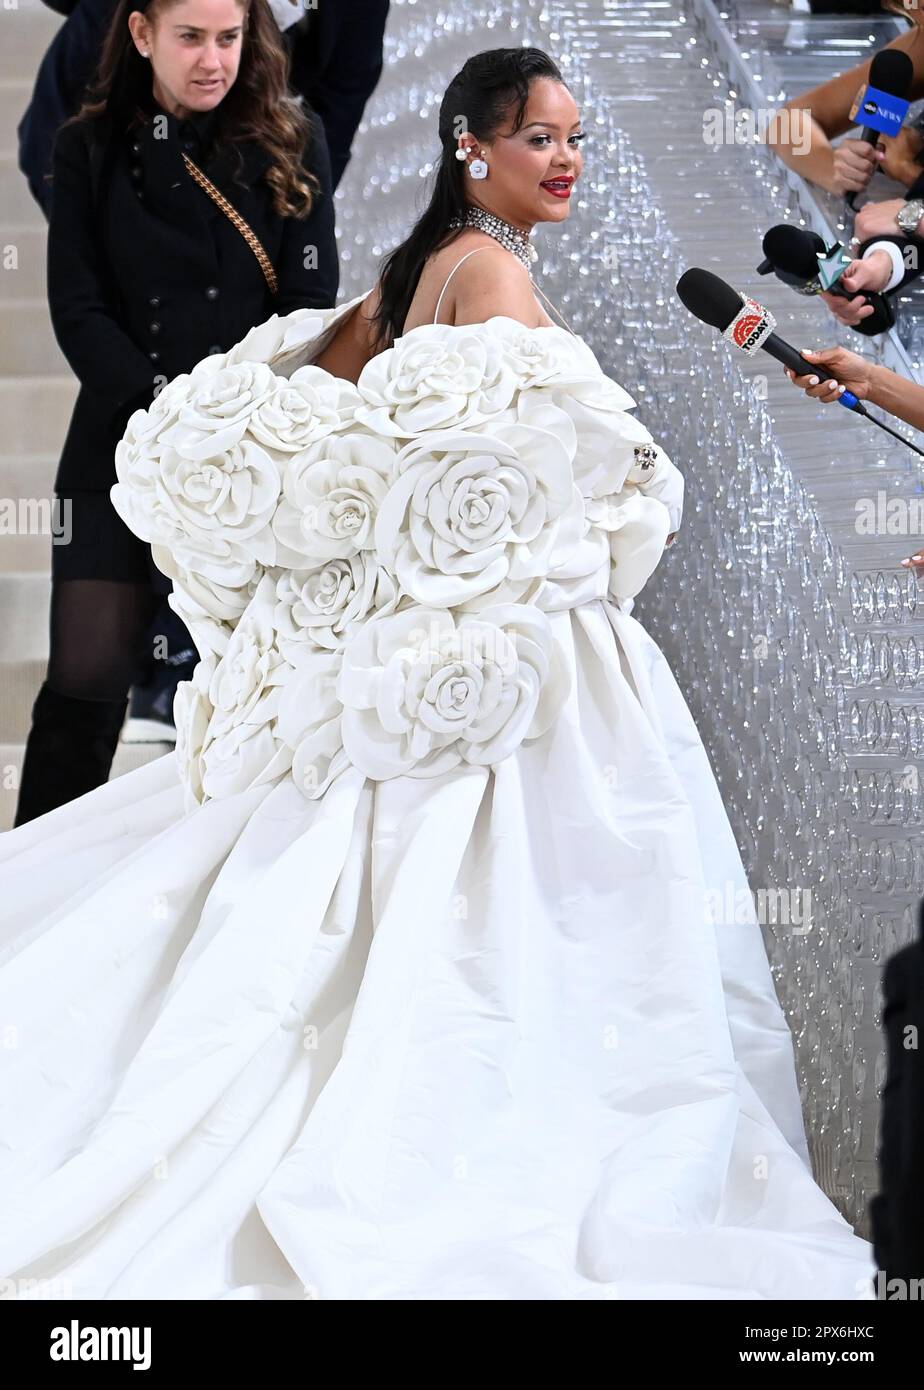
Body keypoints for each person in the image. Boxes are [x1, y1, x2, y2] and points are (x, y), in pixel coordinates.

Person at [0, 47, 876, 1300]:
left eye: (577, 138)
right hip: (525, 664)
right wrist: (628, 494)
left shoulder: (400, 284)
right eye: (540, 139)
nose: (568, 159)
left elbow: (338, 446)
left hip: (449, 651)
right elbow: (531, 476)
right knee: (557, 936)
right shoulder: (496, 273)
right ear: (473, 146)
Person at [12, 0, 338, 827]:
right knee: (82, 687)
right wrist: (167, 410)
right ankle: (28, 908)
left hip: (250, 456)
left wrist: (228, 419)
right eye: (190, 37)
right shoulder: (84, 146)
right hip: (117, 450)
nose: (212, 60)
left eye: (228, 38)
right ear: (142, 33)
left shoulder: (294, 141)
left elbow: (307, 310)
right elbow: (79, 310)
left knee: (254, 692)